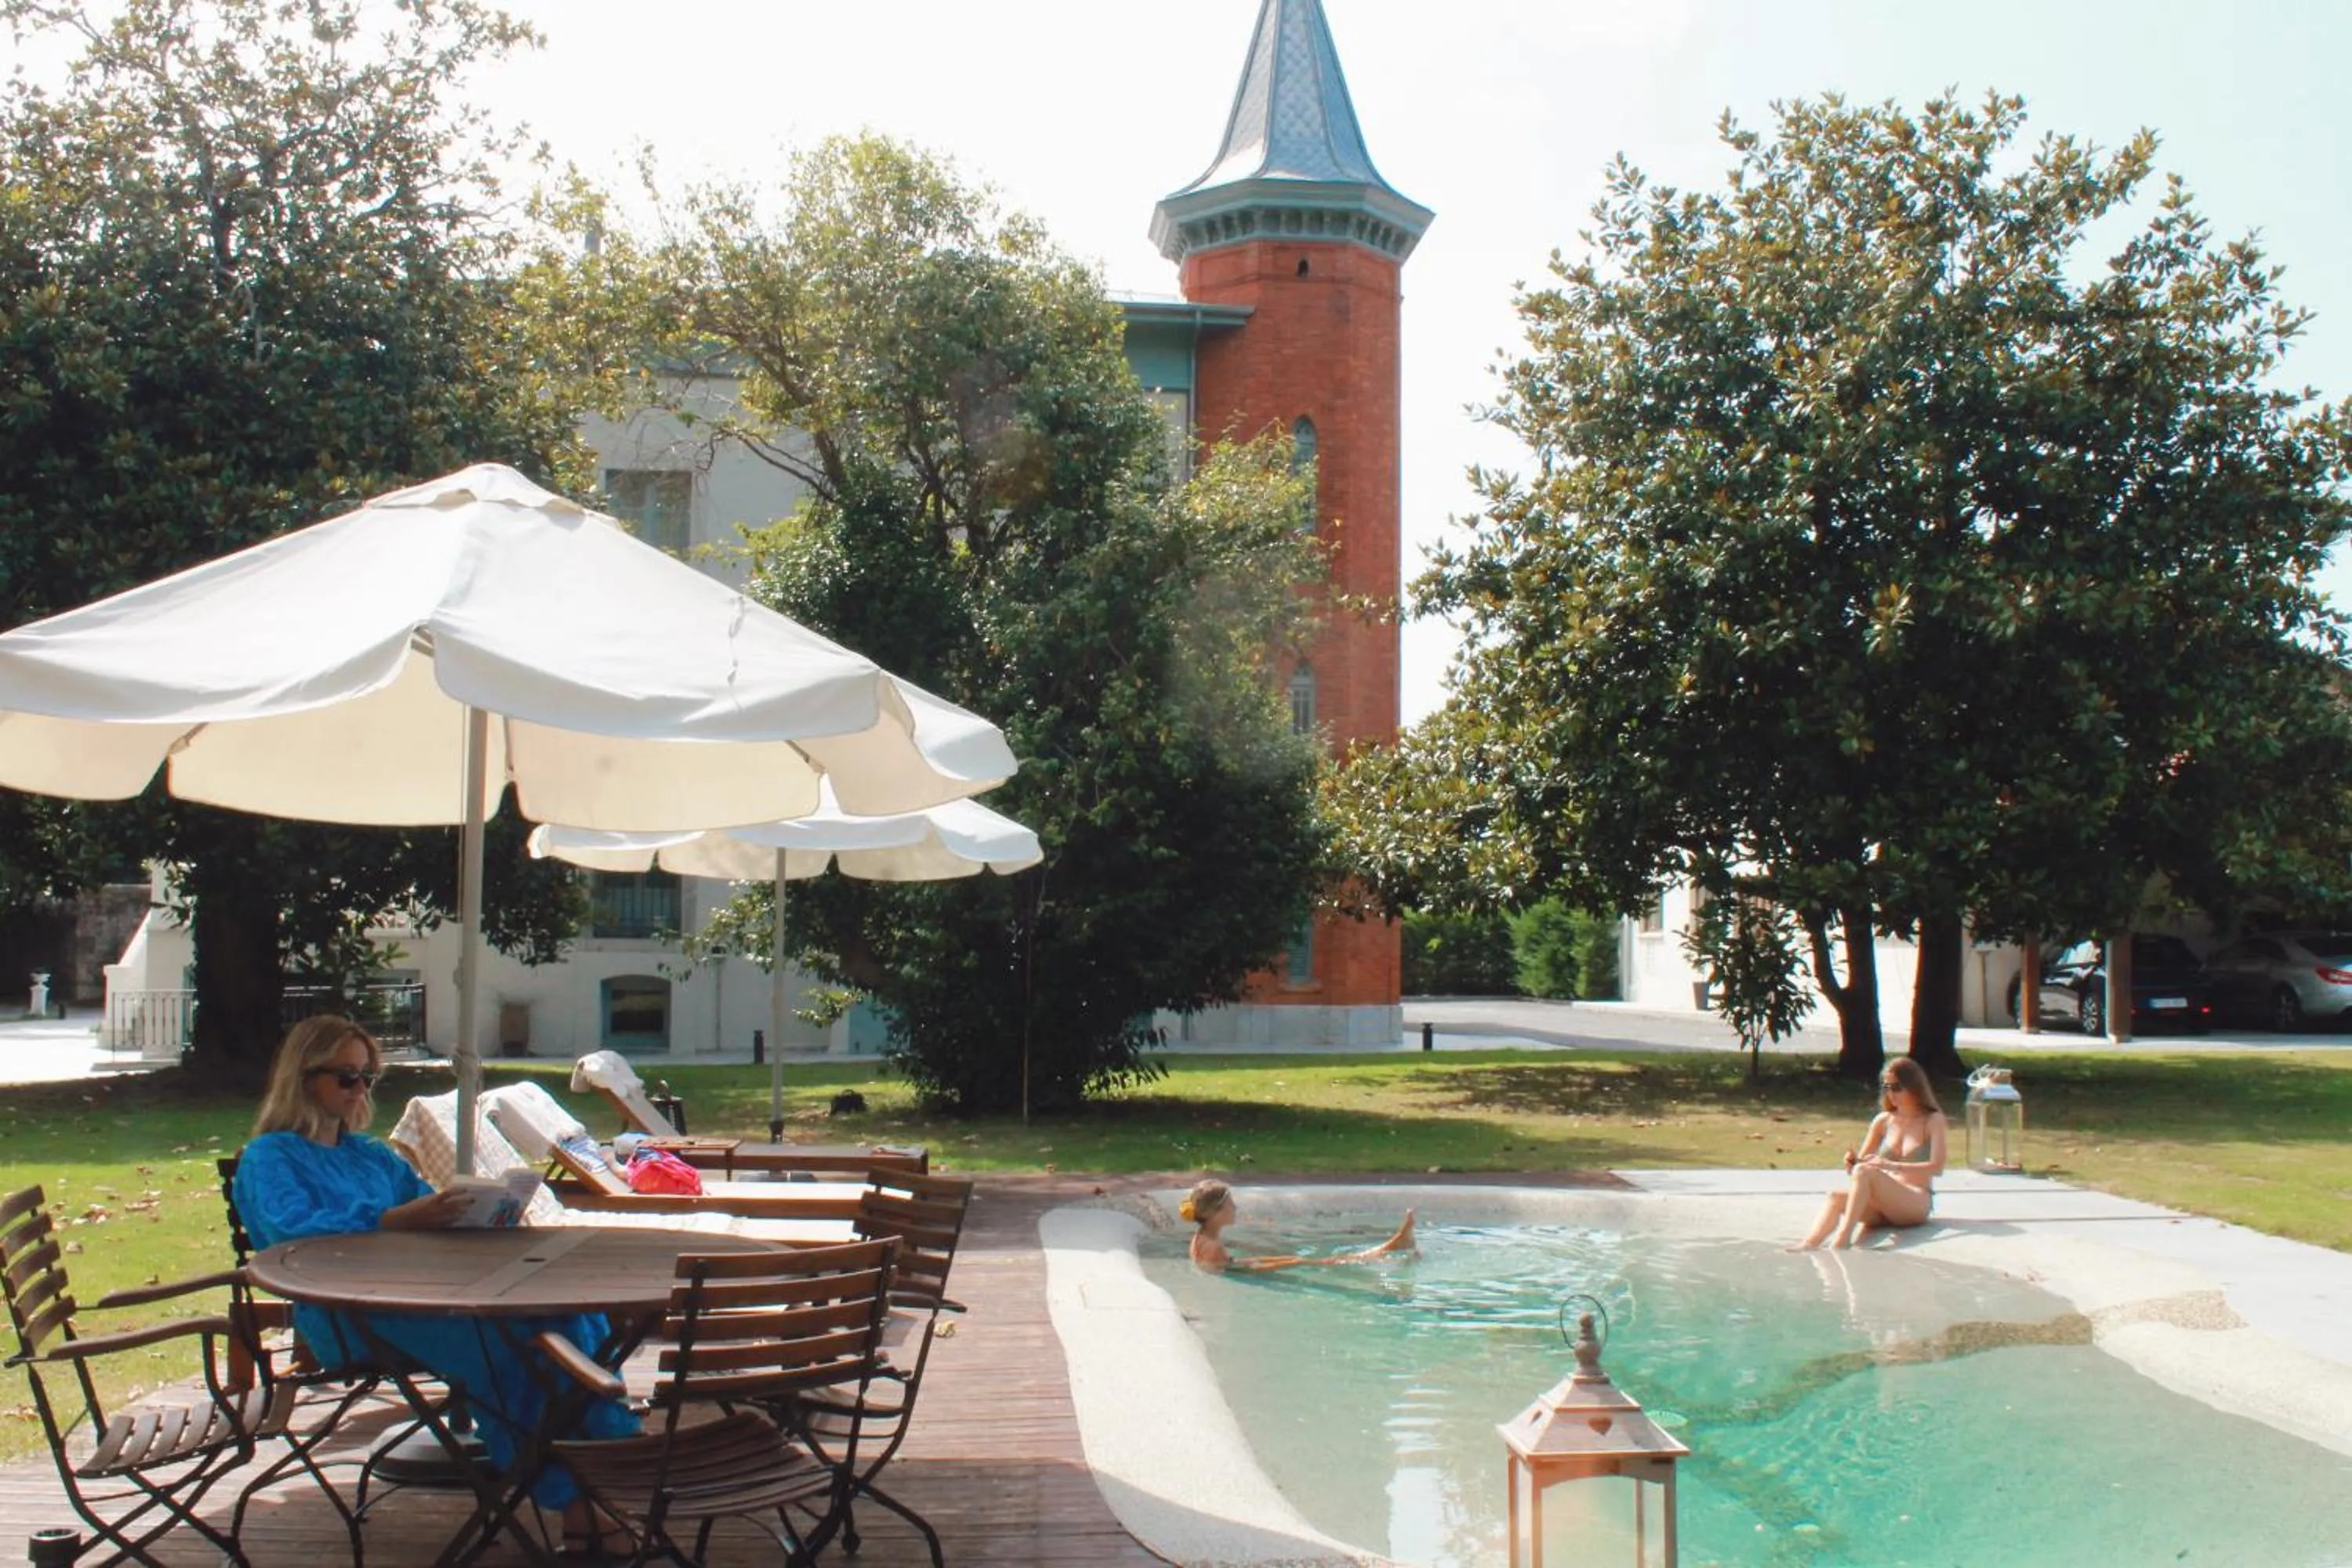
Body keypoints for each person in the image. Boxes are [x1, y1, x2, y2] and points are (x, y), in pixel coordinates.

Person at [233, 1016, 637, 1558]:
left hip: (425, 1296)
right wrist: (395, 1219)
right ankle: (577, 1502)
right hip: (351, 1313)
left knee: (567, 1316)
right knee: (508, 1346)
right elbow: (292, 1236)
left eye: (367, 1078)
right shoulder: (271, 1158)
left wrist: (475, 1211)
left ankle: (607, 1466)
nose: (360, 1090)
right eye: (346, 1077)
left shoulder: (369, 1155)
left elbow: (426, 1208)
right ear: (304, 1078)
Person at [1796, 1057, 1949, 1250]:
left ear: (1914, 1087)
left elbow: (1937, 1168)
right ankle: (1809, 1243)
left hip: (1914, 1201)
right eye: (1887, 1088)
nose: (1891, 1094)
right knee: (1836, 1196)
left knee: (1867, 1172)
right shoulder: (1883, 1121)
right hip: (1881, 1203)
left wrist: (1890, 1165)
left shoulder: (1933, 1120)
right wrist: (1852, 1163)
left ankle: (1842, 1238)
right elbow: (1860, 1170)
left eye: (1897, 1088)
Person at [1181, 1178, 1417, 1274]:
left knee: (1305, 1260)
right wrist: (1291, 1264)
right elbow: (1244, 1270)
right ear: (1215, 1214)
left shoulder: (1201, 1239)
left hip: (1240, 1269)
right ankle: (1390, 1249)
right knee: (1322, 1262)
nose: (1236, 1209)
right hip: (1246, 1273)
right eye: (1231, 1205)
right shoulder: (1213, 1248)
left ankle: (1390, 1248)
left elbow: (1238, 1266)